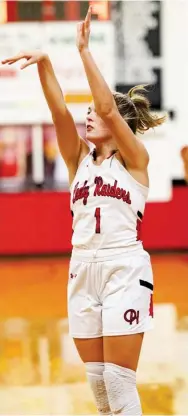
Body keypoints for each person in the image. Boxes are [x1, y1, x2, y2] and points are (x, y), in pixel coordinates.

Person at [2, 7, 166, 415]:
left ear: (119, 124)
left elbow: (109, 108)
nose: (89, 113)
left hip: (123, 267)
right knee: (99, 389)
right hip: (81, 268)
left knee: (120, 382)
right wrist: (45, 63)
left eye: (95, 110)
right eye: (89, 109)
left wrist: (83, 51)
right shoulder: (78, 160)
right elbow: (59, 112)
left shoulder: (134, 160)